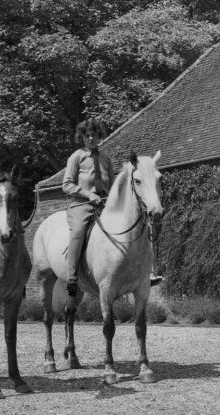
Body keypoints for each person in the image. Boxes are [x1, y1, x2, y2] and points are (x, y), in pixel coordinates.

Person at [62, 119, 162, 297]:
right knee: (78, 231)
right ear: (82, 138)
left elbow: (115, 186)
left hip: (105, 205)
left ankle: (146, 273)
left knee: (135, 227)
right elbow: (67, 185)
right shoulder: (76, 157)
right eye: (87, 136)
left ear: (99, 137)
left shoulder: (105, 159)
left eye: (94, 135)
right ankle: (72, 277)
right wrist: (89, 195)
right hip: (82, 205)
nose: (91, 138)